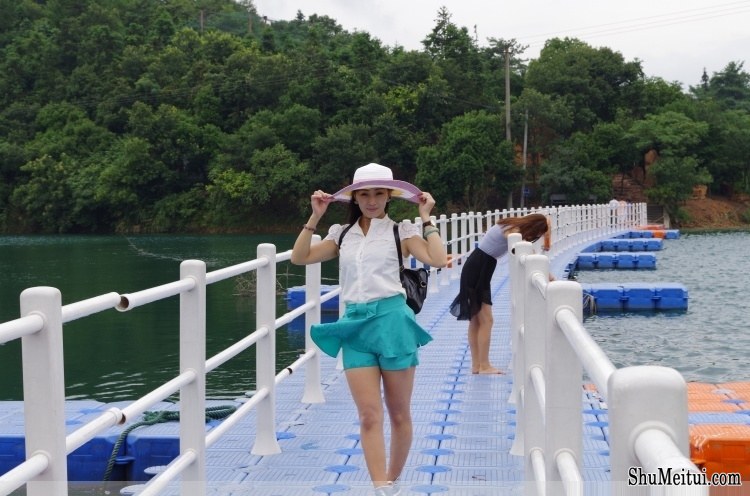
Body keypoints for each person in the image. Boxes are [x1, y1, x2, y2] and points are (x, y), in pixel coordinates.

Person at [290, 163, 447, 496]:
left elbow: (437, 259)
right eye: (364, 195)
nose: (372, 201)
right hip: (355, 326)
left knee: (399, 414)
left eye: (378, 194)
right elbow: (299, 257)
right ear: (355, 198)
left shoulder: (401, 232)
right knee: (369, 416)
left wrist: (426, 218)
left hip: (393, 323)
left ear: (389, 196)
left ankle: (393, 480)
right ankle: (380, 488)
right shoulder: (342, 234)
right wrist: (315, 217)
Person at [450, 213, 550, 374]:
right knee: (486, 320)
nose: (535, 237)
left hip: (478, 266)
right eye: (537, 233)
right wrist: (546, 272)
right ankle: (484, 366)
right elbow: (516, 244)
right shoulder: (513, 229)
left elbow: (520, 245)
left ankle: (477, 365)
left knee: (476, 321)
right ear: (534, 227)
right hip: (479, 268)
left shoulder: (511, 224)